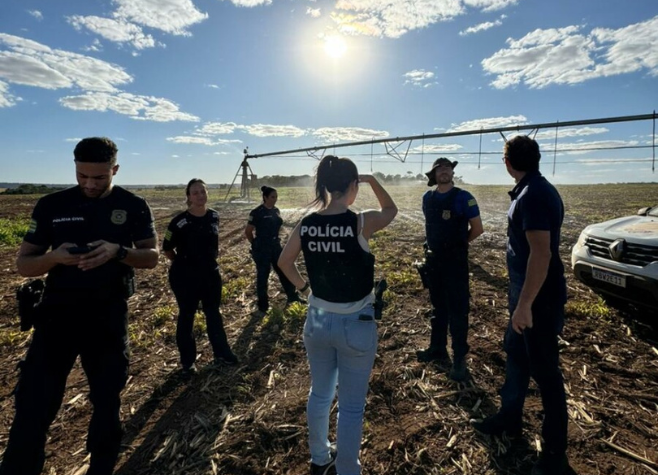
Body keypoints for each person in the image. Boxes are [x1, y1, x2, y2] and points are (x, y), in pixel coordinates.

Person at [0, 137, 159, 475]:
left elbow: (152, 256)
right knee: (33, 404)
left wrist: (118, 251)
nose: (89, 184)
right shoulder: (51, 205)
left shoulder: (133, 205)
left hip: (107, 319)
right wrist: (54, 257)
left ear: (115, 169)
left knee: (106, 403)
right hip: (56, 317)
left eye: (99, 177)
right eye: (82, 176)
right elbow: (24, 264)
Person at [278, 155, 397, 475]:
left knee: (320, 393)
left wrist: (305, 292)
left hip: (316, 319)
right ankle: (347, 468)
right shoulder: (360, 222)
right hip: (355, 322)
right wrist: (372, 181)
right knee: (351, 406)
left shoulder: (307, 223)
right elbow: (392, 210)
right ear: (352, 185)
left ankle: (319, 458)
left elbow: (284, 262)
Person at [471, 136, 571, 475]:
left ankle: (555, 455)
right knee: (515, 355)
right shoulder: (532, 191)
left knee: (546, 374)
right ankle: (509, 418)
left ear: (507, 162)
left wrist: (525, 305)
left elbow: (541, 254)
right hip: (525, 297)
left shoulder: (535, 195)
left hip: (537, 301)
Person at [416, 157, 483, 381]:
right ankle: (437, 348)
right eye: (439, 169)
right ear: (433, 175)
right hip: (434, 262)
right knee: (437, 307)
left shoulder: (464, 197)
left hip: (455, 263)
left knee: (458, 309)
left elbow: (478, 228)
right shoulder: (428, 198)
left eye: (447, 168)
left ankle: (459, 360)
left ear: (452, 173)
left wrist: (458, 245)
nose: (444, 172)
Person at [162, 179, 238, 373]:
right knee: (187, 316)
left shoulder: (214, 216)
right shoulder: (179, 222)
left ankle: (222, 353)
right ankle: (188, 363)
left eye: (202, 191)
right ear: (188, 196)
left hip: (210, 274)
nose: (200, 196)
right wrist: (184, 265)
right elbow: (167, 249)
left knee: (213, 314)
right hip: (185, 277)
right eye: (195, 193)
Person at [245, 185, 303, 318]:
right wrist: (255, 244)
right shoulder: (256, 212)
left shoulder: (276, 210)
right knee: (262, 277)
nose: (275, 199)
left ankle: (293, 297)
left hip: (275, 246)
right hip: (262, 248)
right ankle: (263, 307)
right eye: (272, 197)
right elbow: (248, 231)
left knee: (284, 272)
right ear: (265, 197)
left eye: (276, 197)